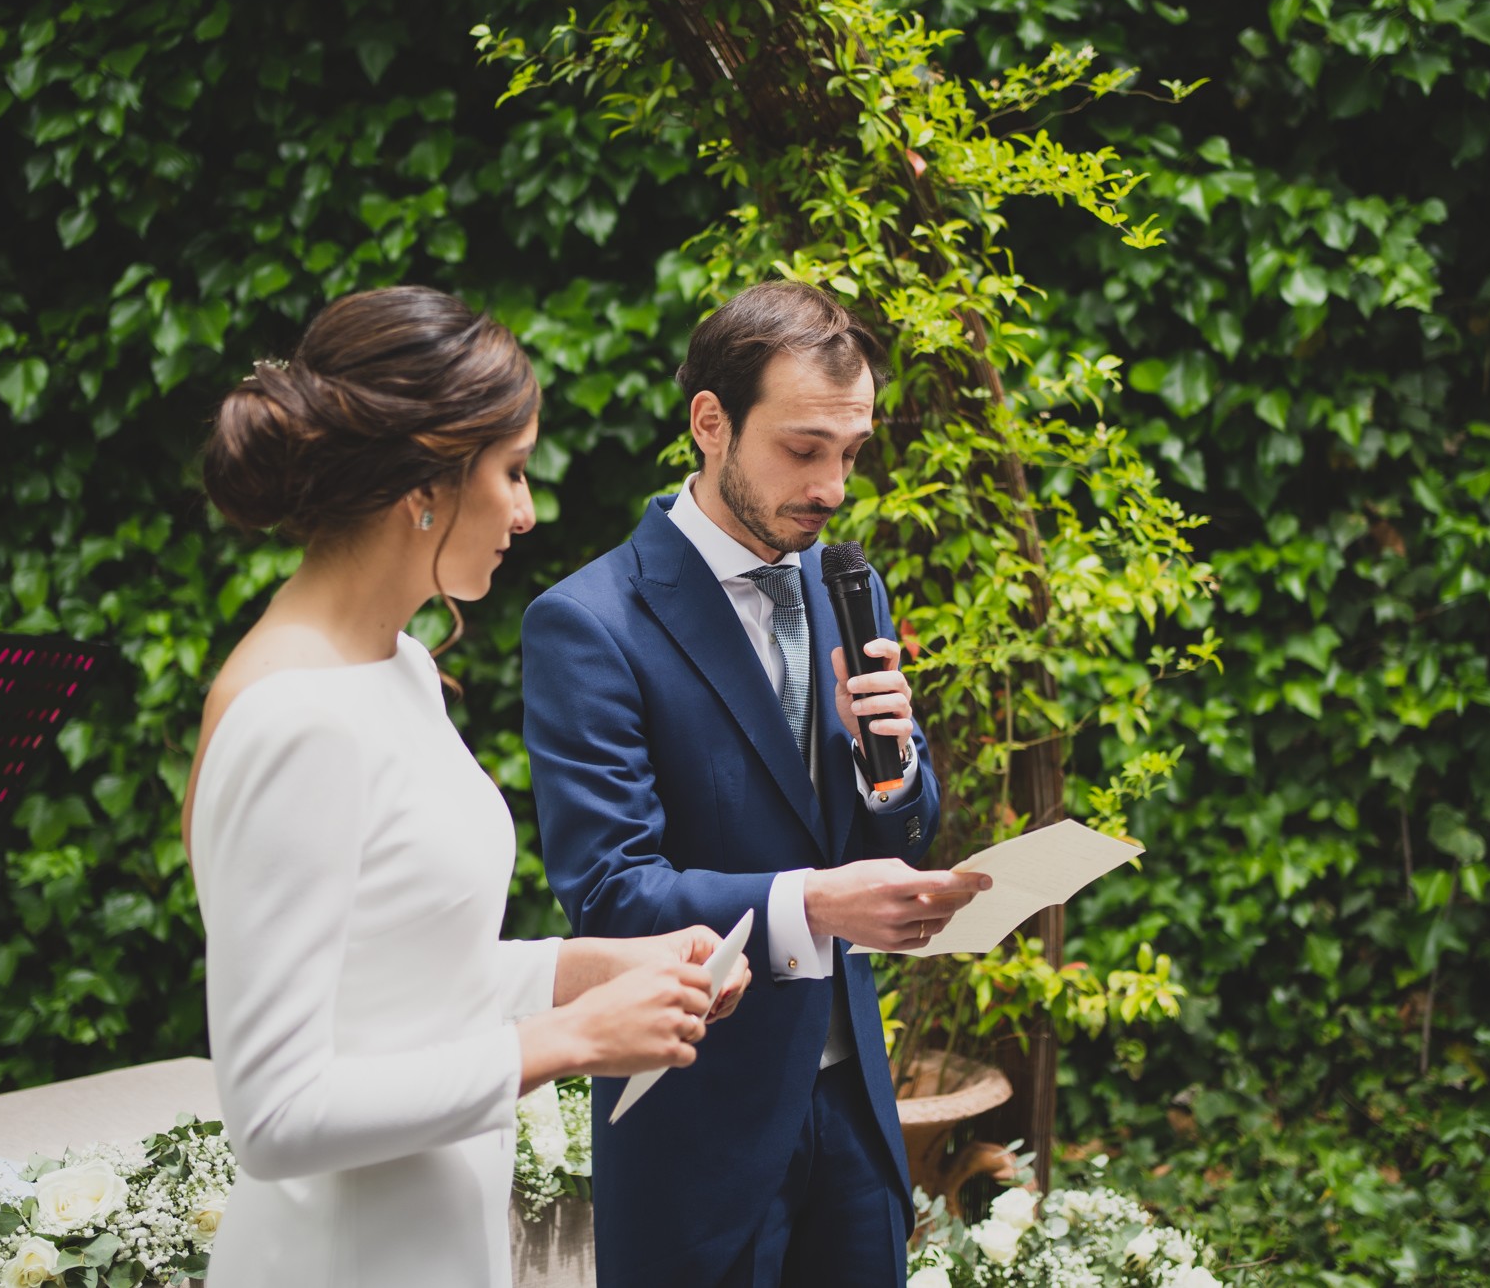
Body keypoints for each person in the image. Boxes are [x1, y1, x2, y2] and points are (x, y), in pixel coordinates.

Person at [182, 285, 751, 1288]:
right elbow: (272, 1114)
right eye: (513, 470)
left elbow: (403, 980)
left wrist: (596, 968)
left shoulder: (396, 666)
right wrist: (565, 1040)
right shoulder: (294, 715)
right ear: (423, 486)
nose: (527, 511)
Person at [521, 280, 990, 1288]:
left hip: (855, 1113)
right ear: (709, 423)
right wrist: (817, 902)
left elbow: (895, 830)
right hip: (697, 1119)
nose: (831, 485)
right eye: (802, 448)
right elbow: (609, 891)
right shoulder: (588, 622)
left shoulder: (837, 580)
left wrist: (895, 769)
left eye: (850, 452)